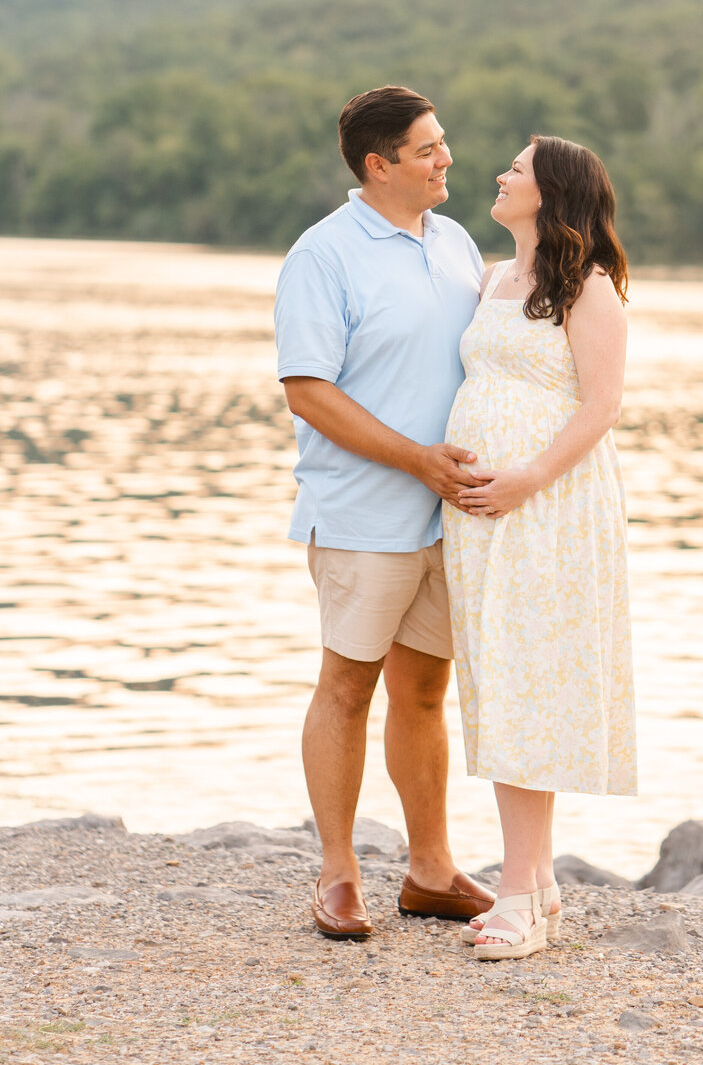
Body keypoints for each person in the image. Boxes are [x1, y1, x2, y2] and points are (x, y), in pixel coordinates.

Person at [274, 84, 495, 940]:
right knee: (347, 684)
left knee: (426, 691)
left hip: (451, 516)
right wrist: (414, 459)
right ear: (380, 165)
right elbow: (308, 391)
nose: (447, 158)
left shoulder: (455, 242)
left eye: (443, 142)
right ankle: (337, 875)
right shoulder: (323, 255)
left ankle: (431, 870)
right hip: (364, 511)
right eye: (429, 148)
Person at [443, 135, 637, 960]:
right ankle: (541, 885)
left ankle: (520, 893)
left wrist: (526, 478)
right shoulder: (494, 278)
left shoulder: (588, 288)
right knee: (498, 679)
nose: (499, 175)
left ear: (551, 190)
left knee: (529, 683)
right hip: (480, 515)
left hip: (548, 509)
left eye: (516, 169)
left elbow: (600, 408)